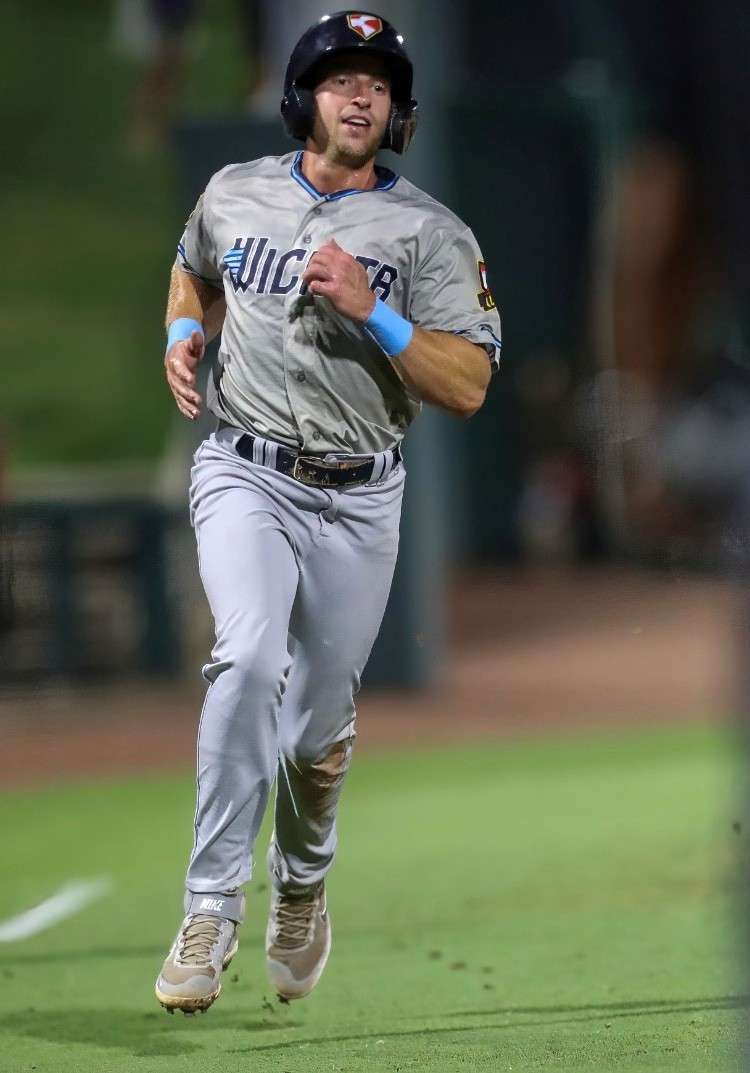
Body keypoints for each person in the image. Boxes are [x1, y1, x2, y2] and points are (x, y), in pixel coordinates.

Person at [154, 9, 502, 1014]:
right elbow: (195, 262)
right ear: (304, 95)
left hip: (360, 495)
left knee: (317, 727)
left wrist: (375, 308)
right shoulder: (237, 189)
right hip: (244, 469)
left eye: (380, 83)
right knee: (248, 654)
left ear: (397, 109)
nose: (361, 94)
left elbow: (469, 382)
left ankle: (301, 884)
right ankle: (211, 904)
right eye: (342, 77)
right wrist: (184, 326)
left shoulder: (432, 231)